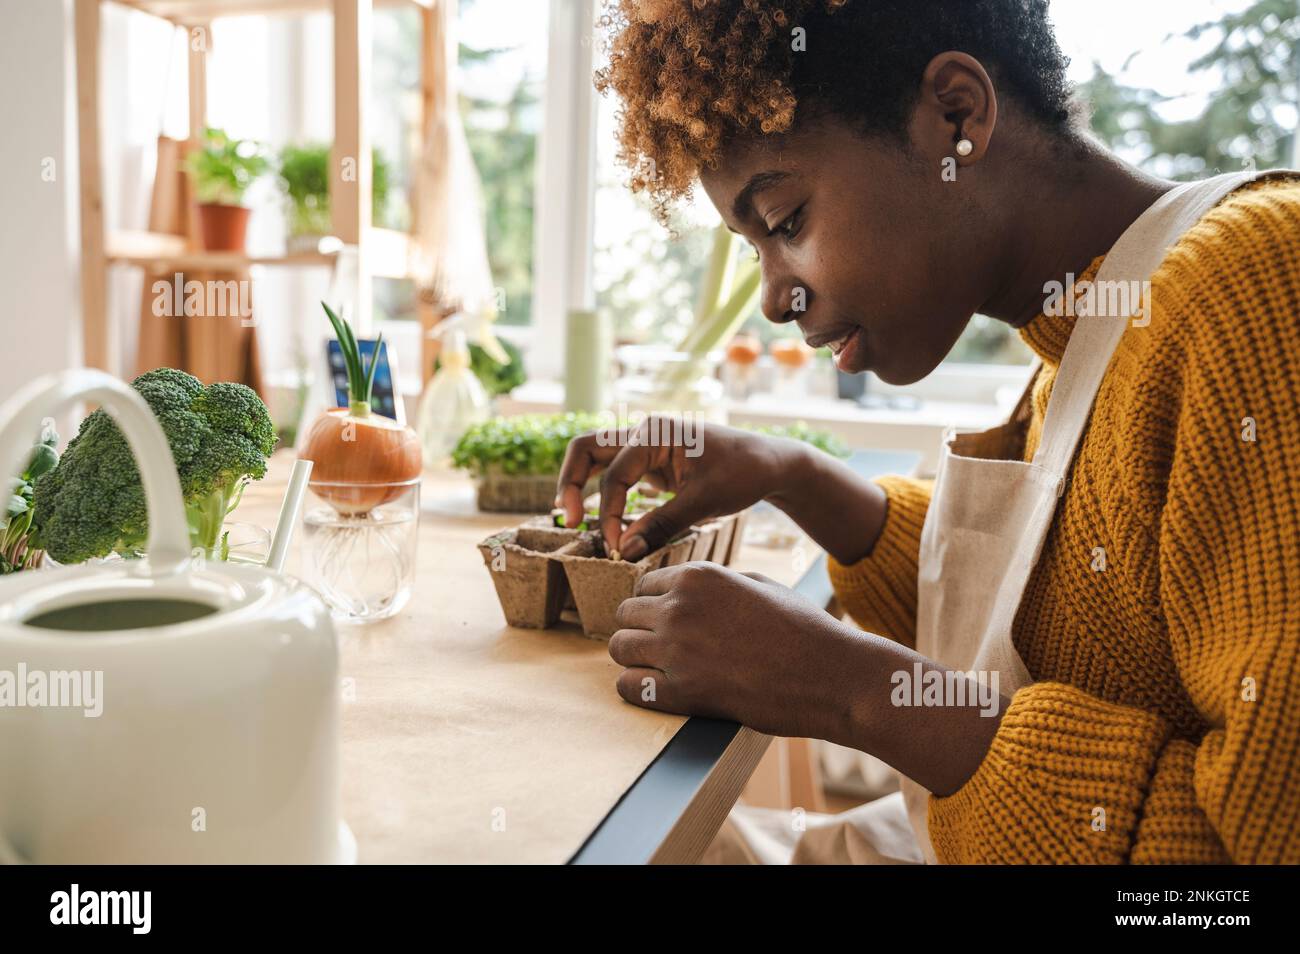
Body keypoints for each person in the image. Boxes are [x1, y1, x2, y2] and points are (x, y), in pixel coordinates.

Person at [557, 0, 1300, 863]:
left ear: (956, 113)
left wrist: (856, 692)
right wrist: (792, 474)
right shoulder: (1091, 324)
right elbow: (1044, 611)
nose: (772, 297)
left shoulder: (1254, 287)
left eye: (787, 223)